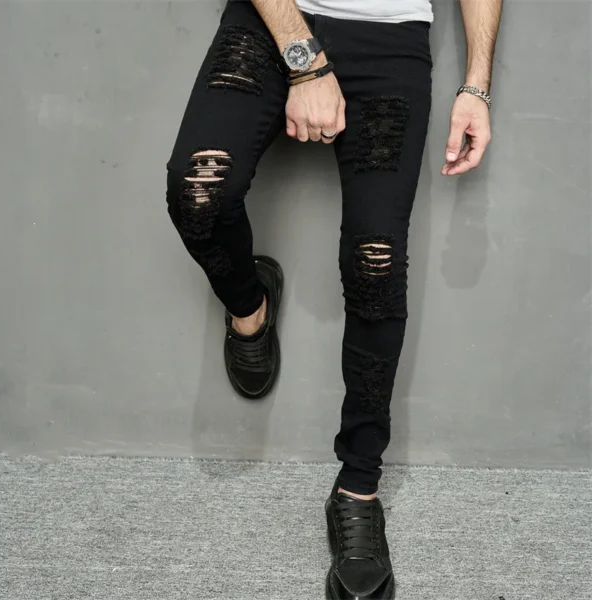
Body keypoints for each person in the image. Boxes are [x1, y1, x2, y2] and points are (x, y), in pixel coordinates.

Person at [166, 0, 502, 597]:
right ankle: (250, 307)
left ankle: (358, 487)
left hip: (389, 40)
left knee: (376, 262)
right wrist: (306, 64)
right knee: (200, 190)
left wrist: (476, 86)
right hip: (270, 22)